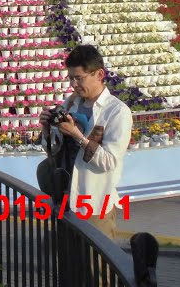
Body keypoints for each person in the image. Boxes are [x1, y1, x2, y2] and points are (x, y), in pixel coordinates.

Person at [38, 44, 133, 240]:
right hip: (66, 199)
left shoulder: (116, 112)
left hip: (96, 205)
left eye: (79, 78)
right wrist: (47, 129)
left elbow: (109, 161)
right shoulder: (70, 103)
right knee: (69, 264)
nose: (73, 84)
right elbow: (55, 149)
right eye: (70, 78)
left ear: (99, 74)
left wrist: (78, 136)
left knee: (96, 267)